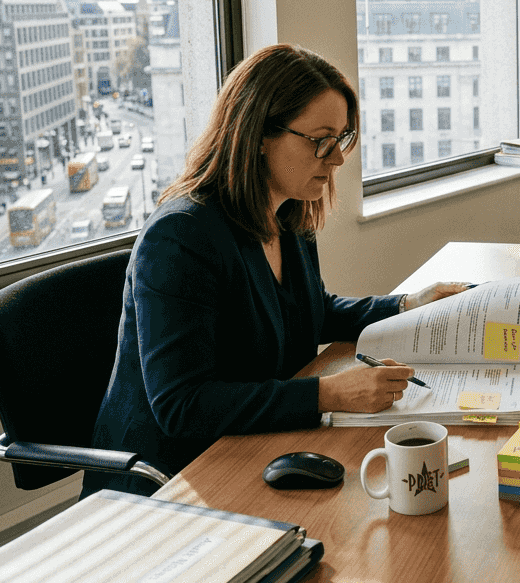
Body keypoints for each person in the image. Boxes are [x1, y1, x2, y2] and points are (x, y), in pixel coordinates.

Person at [84, 45, 467, 497]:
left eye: (341, 138)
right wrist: (330, 394)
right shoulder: (180, 238)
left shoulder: (287, 213)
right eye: (321, 139)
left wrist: (408, 304)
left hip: (258, 447)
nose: (337, 158)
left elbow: (310, 311)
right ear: (260, 134)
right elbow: (182, 406)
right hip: (170, 479)